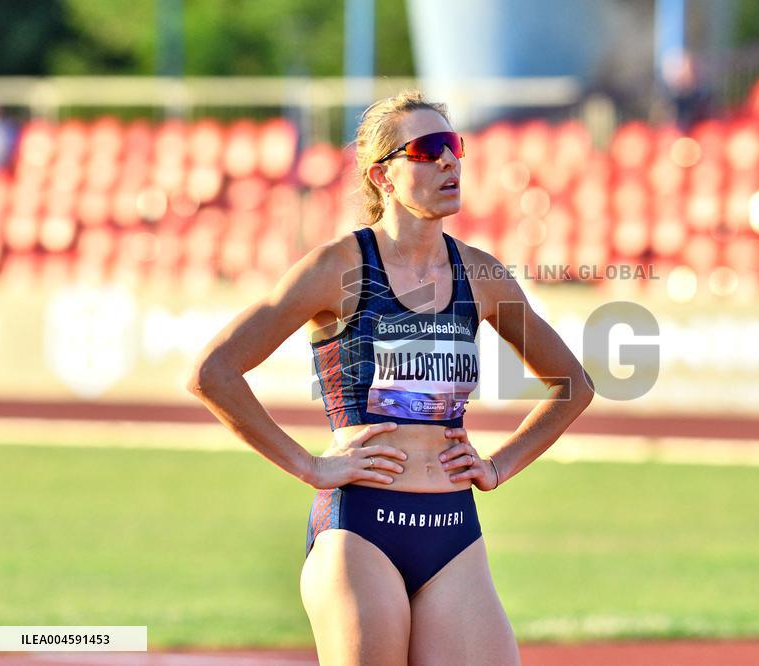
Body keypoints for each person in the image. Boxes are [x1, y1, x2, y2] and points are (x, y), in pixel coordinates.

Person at [187, 90, 594, 665]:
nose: (449, 161)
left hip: (454, 531)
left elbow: (572, 383)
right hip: (360, 530)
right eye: (428, 150)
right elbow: (214, 372)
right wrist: (309, 466)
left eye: (453, 146)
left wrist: (499, 466)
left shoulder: (481, 274)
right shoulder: (338, 267)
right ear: (383, 174)